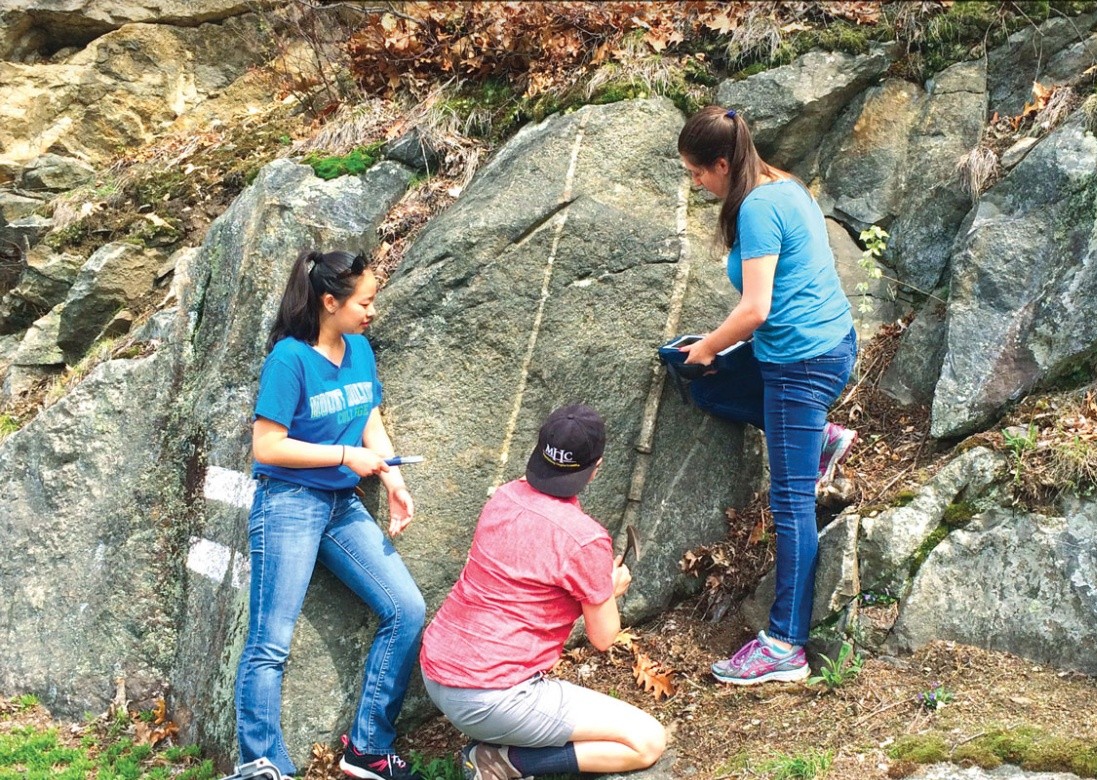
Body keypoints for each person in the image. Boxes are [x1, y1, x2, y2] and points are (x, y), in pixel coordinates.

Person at [676, 106, 858, 685]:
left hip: (800, 365)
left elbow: (757, 309)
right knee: (701, 382)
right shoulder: (784, 184)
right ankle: (821, 438)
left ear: (722, 163)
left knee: (791, 505)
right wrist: (705, 351)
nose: (697, 184)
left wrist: (708, 345)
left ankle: (785, 645)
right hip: (827, 343)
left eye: (699, 174)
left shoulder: (756, 207)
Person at [236, 249, 426, 780]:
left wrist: (391, 476)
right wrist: (346, 457)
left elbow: (367, 413)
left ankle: (366, 749)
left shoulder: (360, 350)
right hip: (288, 504)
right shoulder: (289, 360)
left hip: (342, 506)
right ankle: (261, 762)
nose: (371, 311)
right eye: (364, 301)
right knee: (270, 643)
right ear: (329, 301)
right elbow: (268, 447)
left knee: (406, 609)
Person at [419, 405, 666, 780]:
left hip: (436, 672)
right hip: (491, 697)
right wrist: (608, 590)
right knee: (646, 741)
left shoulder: (503, 497)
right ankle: (500, 763)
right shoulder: (585, 539)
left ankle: (499, 745)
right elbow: (604, 637)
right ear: (596, 468)